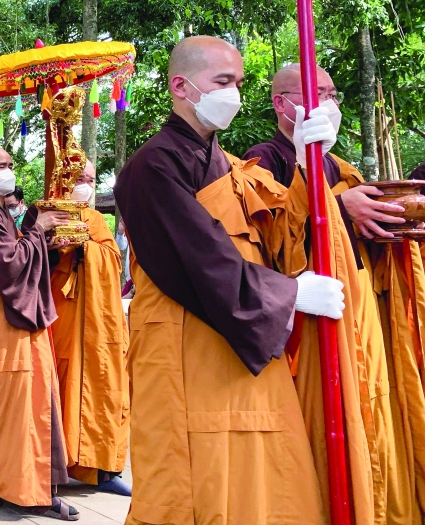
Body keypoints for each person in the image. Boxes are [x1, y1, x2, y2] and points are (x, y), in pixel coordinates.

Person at [114, 36, 347, 524]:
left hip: (245, 340)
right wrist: (291, 294)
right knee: (195, 486)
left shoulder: (228, 165)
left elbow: (276, 240)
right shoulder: (152, 165)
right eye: (223, 82)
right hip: (187, 342)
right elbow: (200, 259)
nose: (235, 95)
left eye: (239, 83)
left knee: (261, 478)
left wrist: (307, 166)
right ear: (182, 86)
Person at [245, 63, 414, 523]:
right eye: (317, 92)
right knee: (329, 424)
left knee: (375, 411)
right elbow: (268, 241)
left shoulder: (340, 163)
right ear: (282, 104)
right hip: (311, 319)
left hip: (361, 307)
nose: (330, 103)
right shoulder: (266, 159)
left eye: (333, 94)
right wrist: (338, 205)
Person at [0, 146, 78, 520]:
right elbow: (9, 266)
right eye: (2, 166)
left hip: (16, 324)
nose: (10, 171)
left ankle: (19, 483)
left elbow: (22, 254)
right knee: (14, 411)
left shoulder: (0, 212)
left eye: (11, 164)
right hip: (1, 328)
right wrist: (37, 231)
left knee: (29, 406)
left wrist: (44, 242)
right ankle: (15, 487)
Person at [21, 159, 130, 496]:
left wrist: (86, 246)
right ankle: (51, 466)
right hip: (59, 314)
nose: (84, 183)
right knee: (57, 382)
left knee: (102, 383)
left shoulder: (97, 219)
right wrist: (51, 244)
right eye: (78, 177)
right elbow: (24, 258)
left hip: (97, 321)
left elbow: (112, 260)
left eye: (90, 178)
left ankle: (101, 471)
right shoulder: (40, 213)